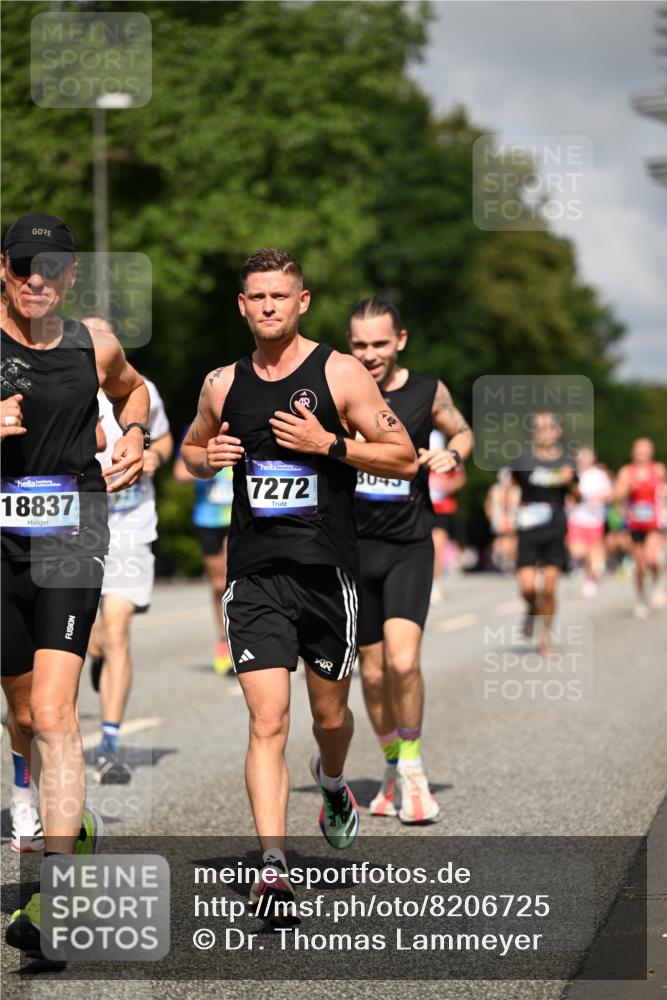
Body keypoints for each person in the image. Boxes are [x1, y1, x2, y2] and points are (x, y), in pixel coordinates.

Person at [180, 250, 416, 923]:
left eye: (280, 297)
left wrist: (329, 446)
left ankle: (333, 781)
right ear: (241, 305)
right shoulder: (222, 383)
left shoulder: (339, 374)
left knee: (329, 719)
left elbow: (400, 457)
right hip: (254, 574)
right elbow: (192, 451)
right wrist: (209, 459)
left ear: (302, 301)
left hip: (326, 575)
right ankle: (273, 869)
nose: (268, 308)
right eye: (256, 297)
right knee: (266, 719)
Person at [1, 213, 149, 956]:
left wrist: (132, 435)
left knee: (56, 714)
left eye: (50, 268)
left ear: (70, 277)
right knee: (23, 716)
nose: (36, 279)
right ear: (4, 269)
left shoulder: (94, 342)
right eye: (23, 265)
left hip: (71, 532)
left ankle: (57, 902)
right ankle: (72, 827)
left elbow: (133, 393)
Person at [347, 297, 473, 823]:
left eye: (380, 344)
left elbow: (461, 429)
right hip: (352, 551)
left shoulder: (427, 390)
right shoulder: (337, 387)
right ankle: (391, 764)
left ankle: (414, 769)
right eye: (360, 345)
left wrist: (453, 453)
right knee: (372, 677)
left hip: (407, 546)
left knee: (403, 662)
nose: (370, 354)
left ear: (401, 340)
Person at [84, 318, 173, 783]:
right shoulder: (60, 384)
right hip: (76, 525)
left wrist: (152, 454)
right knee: (93, 634)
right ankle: (94, 649)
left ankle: (110, 741)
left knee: (116, 626)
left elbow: (166, 438)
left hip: (130, 525)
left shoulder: (141, 388)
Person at [512, 412, 579, 655]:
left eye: (548, 427)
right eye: (538, 428)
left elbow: (578, 497)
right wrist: (508, 522)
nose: (544, 432)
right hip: (528, 525)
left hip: (555, 525)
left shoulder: (567, 460)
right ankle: (531, 609)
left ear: (557, 431)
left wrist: (570, 482)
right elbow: (511, 489)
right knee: (528, 588)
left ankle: (545, 640)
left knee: (549, 588)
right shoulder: (523, 459)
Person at [173, 437, 234, 674]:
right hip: (207, 518)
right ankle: (222, 641)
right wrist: (209, 463)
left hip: (235, 517)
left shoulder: (245, 418)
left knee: (232, 580)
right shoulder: (198, 428)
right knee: (218, 585)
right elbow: (179, 474)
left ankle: (239, 641)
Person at [615, 438, 666, 618]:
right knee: (639, 565)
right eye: (638, 449)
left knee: (651, 559)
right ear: (633, 452)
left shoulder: (658, 470)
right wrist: (626, 490)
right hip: (633, 524)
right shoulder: (626, 472)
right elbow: (617, 497)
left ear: (651, 452)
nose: (641, 453)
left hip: (653, 524)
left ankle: (657, 582)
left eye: (645, 450)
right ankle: (640, 598)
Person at [566, 447, 612, 598]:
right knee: (577, 550)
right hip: (577, 518)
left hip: (595, 519)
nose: (584, 459)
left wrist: (599, 499)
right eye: (581, 456)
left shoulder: (599, 475)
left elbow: (610, 493)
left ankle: (590, 579)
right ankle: (581, 567)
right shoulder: (573, 473)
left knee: (594, 552)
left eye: (587, 456)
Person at [429, 427, 467, 602]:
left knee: (437, 547)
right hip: (420, 507)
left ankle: (435, 584)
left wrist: (447, 487)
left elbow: (460, 478)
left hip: (442, 509)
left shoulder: (447, 459)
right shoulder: (416, 457)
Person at [484, 467, 520, 574]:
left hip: (512, 516)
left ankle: (510, 561)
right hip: (499, 517)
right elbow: (489, 503)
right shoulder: (495, 489)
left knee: (512, 539)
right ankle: (502, 560)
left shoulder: (516, 489)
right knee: (501, 539)